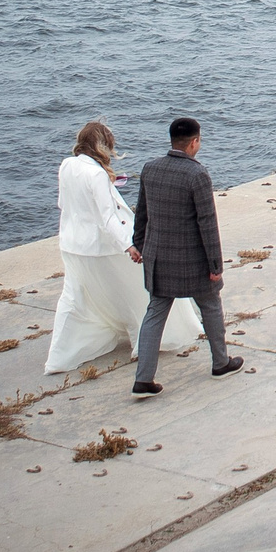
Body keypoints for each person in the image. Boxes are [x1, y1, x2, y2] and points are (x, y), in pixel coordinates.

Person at [45, 120, 197, 375]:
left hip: (71, 243)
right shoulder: (96, 174)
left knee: (73, 297)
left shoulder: (67, 165)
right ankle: (144, 341)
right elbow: (107, 219)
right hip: (101, 246)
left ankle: (58, 357)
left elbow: (63, 203)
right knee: (137, 292)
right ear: (103, 145)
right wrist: (129, 245)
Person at [131, 116, 241, 390]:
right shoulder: (197, 174)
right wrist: (215, 265)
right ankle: (220, 363)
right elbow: (207, 223)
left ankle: (143, 379)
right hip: (193, 262)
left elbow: (142, 213)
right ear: (194, 142)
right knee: (211, 305)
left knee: (155, 314)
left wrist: (139, 244)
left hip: (158, 259)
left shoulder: (150, 168)